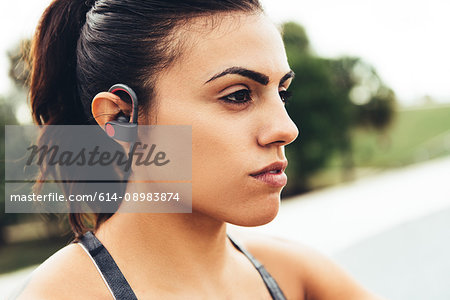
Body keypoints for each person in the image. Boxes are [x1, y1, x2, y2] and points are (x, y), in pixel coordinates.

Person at [12, 0, 383, 299]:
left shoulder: (296, 276)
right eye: (238, 95)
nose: (286, 129)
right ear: (122, 118)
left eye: (281, 93)